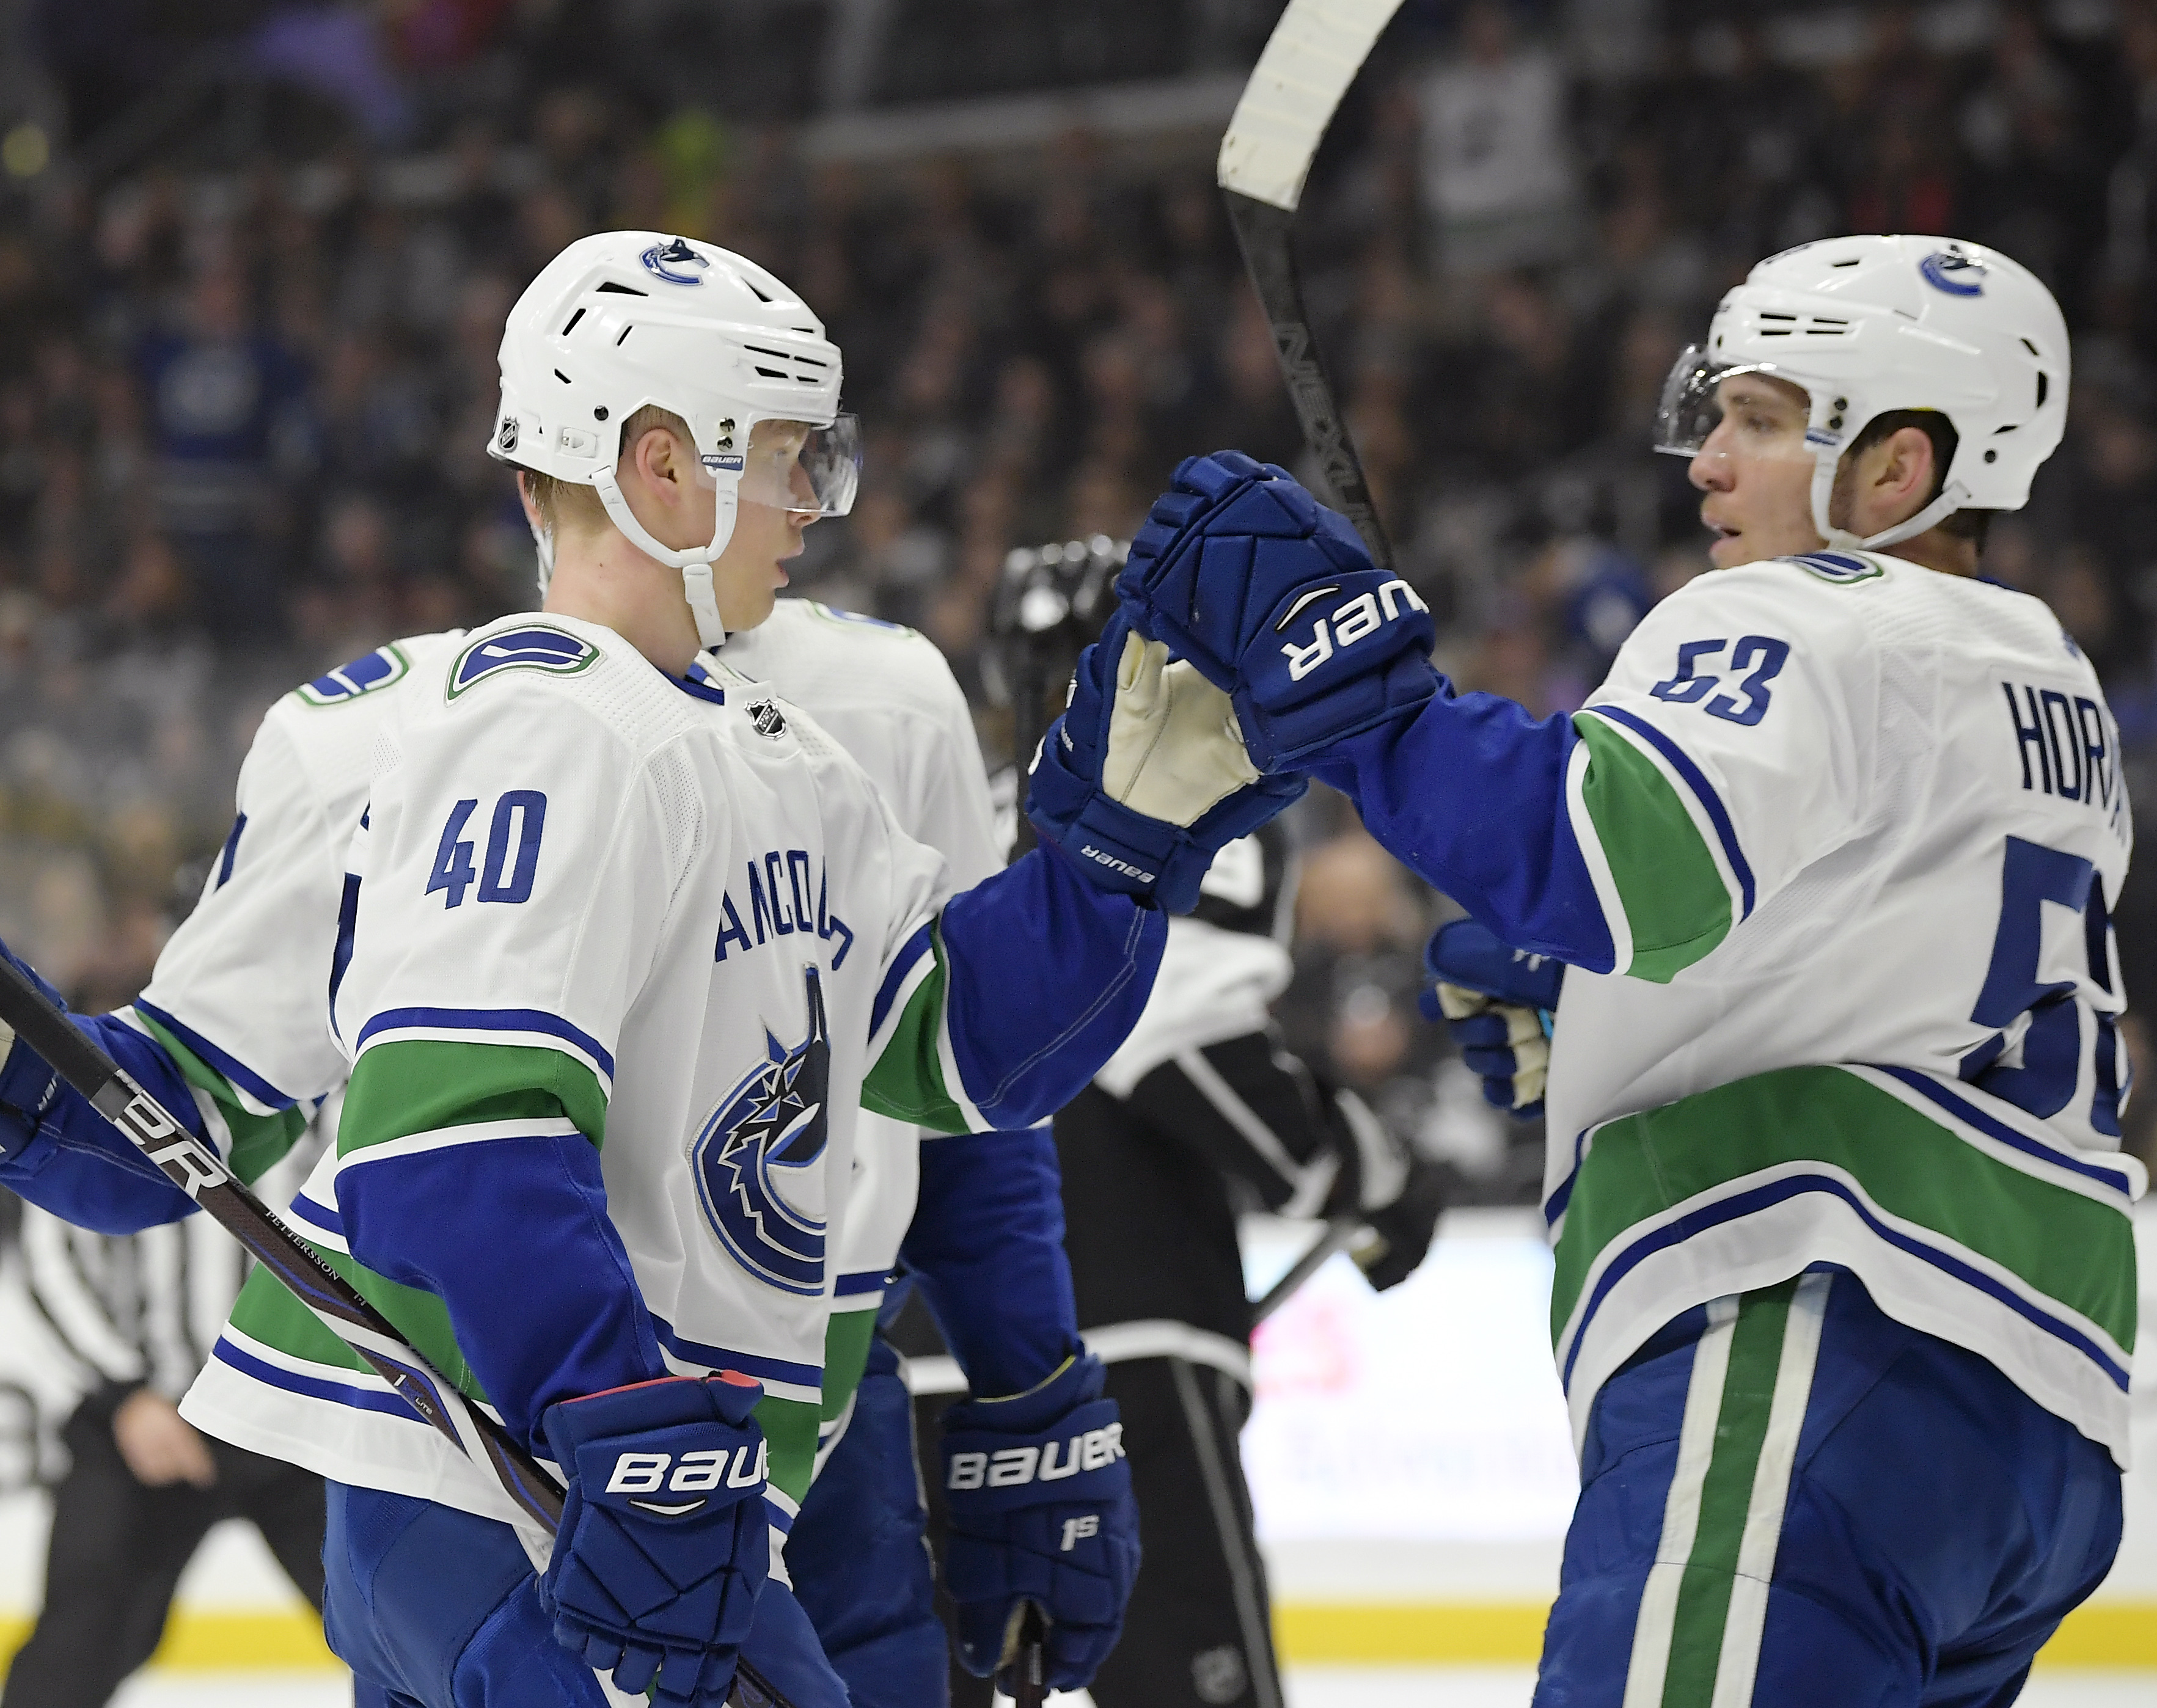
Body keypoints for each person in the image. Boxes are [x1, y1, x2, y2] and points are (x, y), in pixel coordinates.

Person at [4, 231, 1295, 1708]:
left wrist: (1119, 848)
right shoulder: (498, 732)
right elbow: (427, 1140)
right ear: (662, 463)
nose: (816, 501)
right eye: (790, 458)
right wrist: (619, 1416)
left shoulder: (810, 747)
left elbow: (951, 1054)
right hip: (530, 1464)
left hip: (731, 1443)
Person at [1116, 235, 2136, 1706]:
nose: (1707, 463)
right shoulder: (2048, 678)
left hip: (1812, 1322)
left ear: (1899, 467)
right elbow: (1885, 951)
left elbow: (1596, 853)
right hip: (2035, 1426)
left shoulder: (1804, 612)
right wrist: (1611, 1012)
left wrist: (1339, 672)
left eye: (1762, 421)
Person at [901, 541, 1447, 1708]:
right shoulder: (1191, 803)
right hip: (1120, 1340)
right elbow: (1180, 1041)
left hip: (916, 1351)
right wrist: (1364, 1173)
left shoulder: (927, 818)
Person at [5, 1189, 327, 1708]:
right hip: (141, 1426)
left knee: (391, 1624)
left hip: (305, 1423)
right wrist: (126, 1395)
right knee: (84, 1634)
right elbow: (50, 1264)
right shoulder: (106, 1138)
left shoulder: (323, 1137)